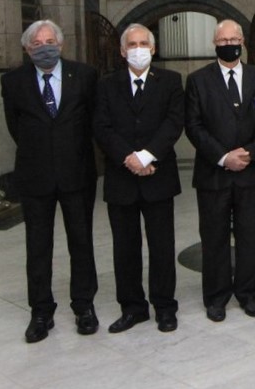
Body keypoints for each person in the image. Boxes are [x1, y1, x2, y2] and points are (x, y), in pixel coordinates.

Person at [1, 20, 99, 343]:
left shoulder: (84, 75)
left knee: (81, 242)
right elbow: (16, 127)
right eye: (37, 44)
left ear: (61, 44)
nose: (44, 47)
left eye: (49, 42)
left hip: (77, 174)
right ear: (27, 49)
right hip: (35, 176)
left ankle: (84, 306)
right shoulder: (13, 81)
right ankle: (41, 311)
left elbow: (93, 121)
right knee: (38, 247)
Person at [93, 23, 184, 333]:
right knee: (125, 248)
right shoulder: (107, 85)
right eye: (131, 44)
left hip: (158, 175)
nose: (138, 49)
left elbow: (174, 122)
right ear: (122, 51)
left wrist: (147, 156)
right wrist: (129, 158)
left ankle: (165, 307)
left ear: (153, 49)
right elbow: (102, 126)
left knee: (162, 246)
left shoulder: (171, 81)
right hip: (122, 177)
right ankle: (132, 308)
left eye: (143, 43)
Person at [184, 20, 255, 322]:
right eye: (223, 40)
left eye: (234, 39)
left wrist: (249, 154)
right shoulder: (197, 80)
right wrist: (223, 157)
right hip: (213, 174)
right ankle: (216, 297)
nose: (229, 44)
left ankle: (249, 294)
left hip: (250, 171)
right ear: (214, 43)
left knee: (250, 236)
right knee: (214, 238)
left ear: (243, 42)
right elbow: (193, 125)